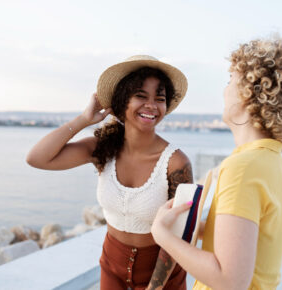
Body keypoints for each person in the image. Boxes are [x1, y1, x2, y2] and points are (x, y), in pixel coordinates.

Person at [151, 35, 282, 289]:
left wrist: (163, 236)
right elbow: (247, 238)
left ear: (249, 93)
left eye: (229, 80)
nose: (224, 90)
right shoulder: (269, 159)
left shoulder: (242, 168)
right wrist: (192, 226)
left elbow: (230, 280)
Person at [26, 55, 193, 290]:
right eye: (140, 96)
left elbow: (180, 233)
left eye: (160, 98)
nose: (152, 105)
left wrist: (154, 287)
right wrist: (84, 119)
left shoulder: (176, 162)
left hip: (162, 276)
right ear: (122, 101)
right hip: (111, 267)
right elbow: (37, 158)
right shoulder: (102, 148)